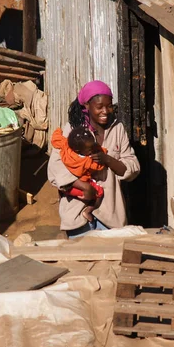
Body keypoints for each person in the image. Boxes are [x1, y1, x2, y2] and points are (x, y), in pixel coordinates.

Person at [48, 81, 140, 237]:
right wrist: (84, 187)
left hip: (111, 215)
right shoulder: (72, 129)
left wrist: (107, 159)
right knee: (81, 258)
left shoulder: (117, 129)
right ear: (87, 106)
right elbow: (55, 168)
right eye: (99, 107)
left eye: (109, 106)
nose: (105, 111)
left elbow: (133, 167)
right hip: (77, 213)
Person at [51, 126, 107, 222]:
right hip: (78, 188)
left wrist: (58, 132)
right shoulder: (85, 161)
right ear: (79, 151)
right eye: (90, 149)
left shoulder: (66, 148)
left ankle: (61, 199)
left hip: (65, 186)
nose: (92, 150)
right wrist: (104, 154)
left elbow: (57, 139)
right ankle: (88, 211)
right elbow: (98, 166)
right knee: (99, 192)